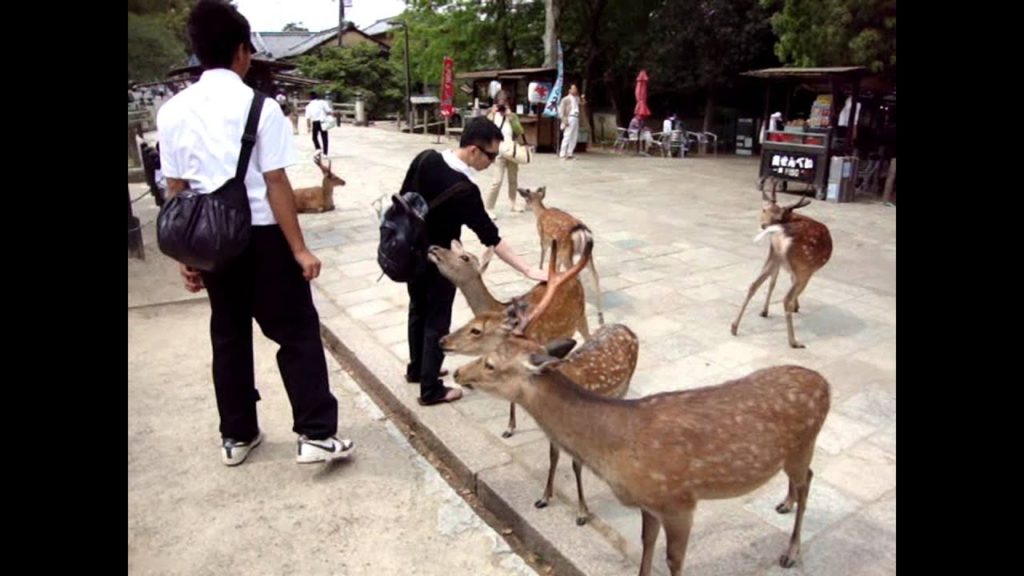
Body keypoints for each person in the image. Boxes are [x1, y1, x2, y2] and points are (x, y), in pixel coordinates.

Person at [157, 0, 353, 467]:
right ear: (243, 50)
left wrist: (187, 254)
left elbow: (177, 189)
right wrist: (300, 249)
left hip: (211, 240)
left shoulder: (172, 111)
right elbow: (276, 183)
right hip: (264, 237)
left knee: (228, 334)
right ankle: (316, 433)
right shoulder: (260, 108)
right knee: (297, 333)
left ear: (197, 52)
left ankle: (237, 435)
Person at [399, 117, 548, 406]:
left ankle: (417, 369)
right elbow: (491, 237)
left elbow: (406, 200)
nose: (492, 163)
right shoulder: (465, 189)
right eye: (491, 156)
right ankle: (431, 389)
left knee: (417, 309)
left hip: (409, 251)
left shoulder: (425, 158)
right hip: (442, 263)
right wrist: (528, 269)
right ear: (473, 150)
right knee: (436, 320)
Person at [484, 90, 526, 215]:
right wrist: (491, 114)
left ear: (508, 102)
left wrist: (511, 117)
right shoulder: (491, 114)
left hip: (512, 150)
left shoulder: (512, 116)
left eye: (505, 101)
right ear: (496, 102)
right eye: (500, 101)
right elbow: (485, 129)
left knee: (513, 179)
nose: (502, 104)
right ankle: (489, 207)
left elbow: (519, 132)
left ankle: (513, 203)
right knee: (497, 181)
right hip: (498, 151)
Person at [558, 84, 582, 159]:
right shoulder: (566, 99)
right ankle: (562, 153)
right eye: (573, 89)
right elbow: (561, 111)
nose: (575, 90)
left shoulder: (577, 98)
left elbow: (583, 103)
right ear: (569, 90)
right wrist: (564, 120)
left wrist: (582, 98)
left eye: (576, 89)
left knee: (574, 136)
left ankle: (570, 152)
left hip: (576, 117)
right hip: (569, 117)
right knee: (567, 135)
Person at [305, 91, 332, 156]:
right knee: (324, 137)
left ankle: (318, 148)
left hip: (315, 122)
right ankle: (325, 153)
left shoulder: (308, 106)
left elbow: (308, 118)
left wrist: (308, 127)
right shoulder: (322, 102)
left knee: (314, 137)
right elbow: (329, 111)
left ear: (310, 98)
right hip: (323, 121)